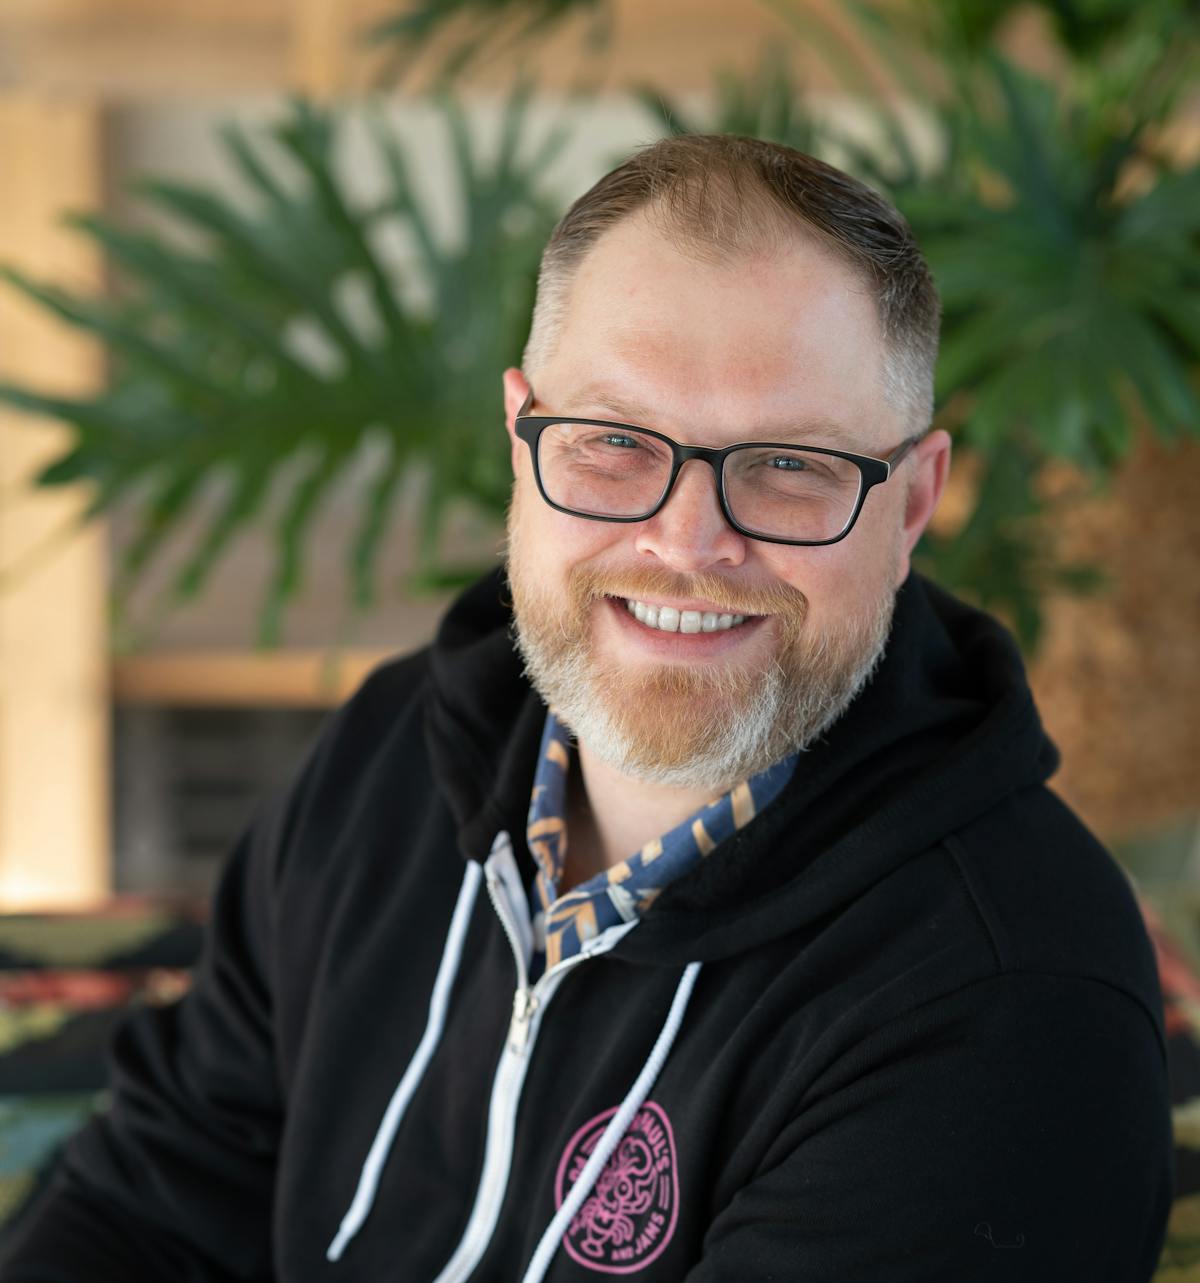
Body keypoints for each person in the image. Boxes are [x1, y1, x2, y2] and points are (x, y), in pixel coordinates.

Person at [2, 135, 1172, 1281]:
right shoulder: (391, 751)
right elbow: (150, 1195)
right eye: (615, 439)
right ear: (523, 439)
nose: (687, 541)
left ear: (912, 503)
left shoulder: (1010, 1004)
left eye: (789, 464)